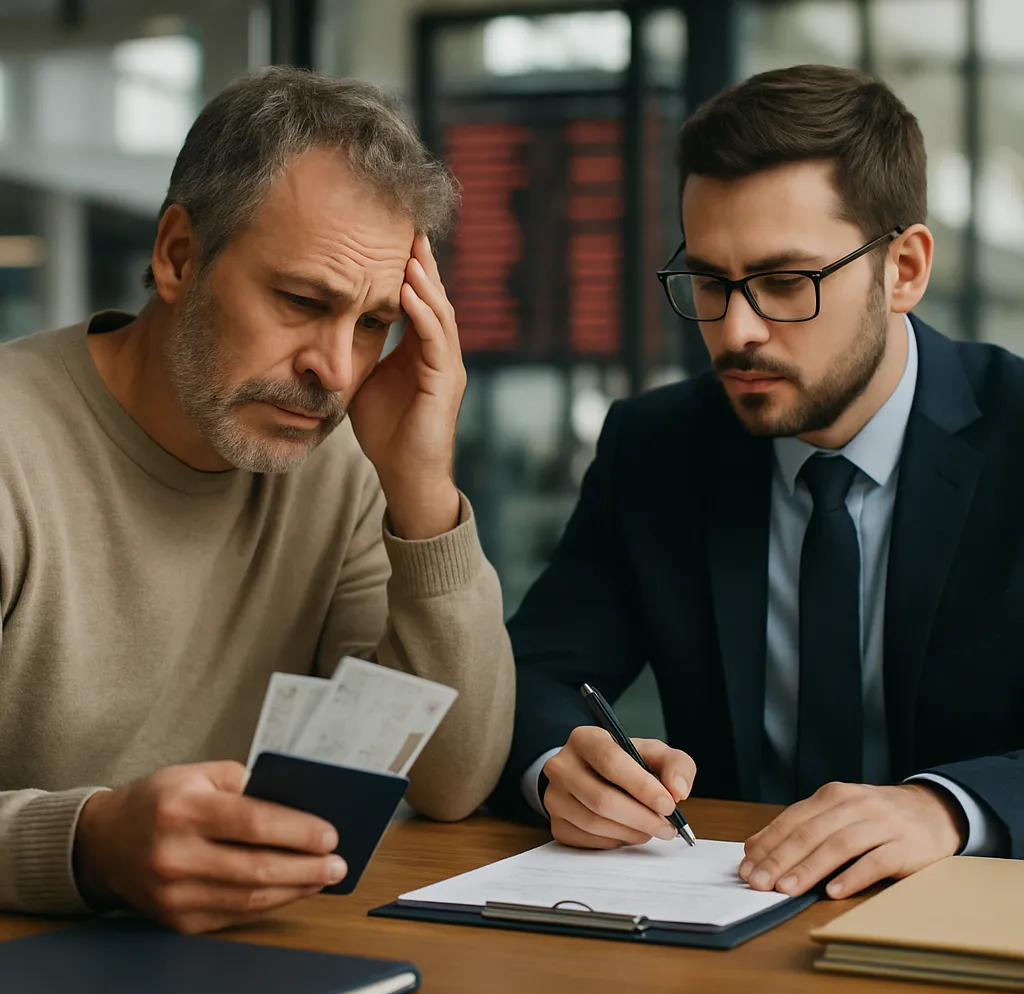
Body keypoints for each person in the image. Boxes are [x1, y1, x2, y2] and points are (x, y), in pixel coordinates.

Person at [489, 64, 1024, 899]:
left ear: (905, 270)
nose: (736, 331)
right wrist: (560, 765)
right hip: (727, 914)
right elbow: (531, 676)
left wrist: (948, 809)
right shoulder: (657, 446)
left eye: (786, 283)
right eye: (709, 283)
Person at [0, 67, 514, 934]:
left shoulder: (342, 465)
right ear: (177, 256)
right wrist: (88, 845)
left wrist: (422, 490)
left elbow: (449, 781)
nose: (338, 371)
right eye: (302, 301)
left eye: (372, 323)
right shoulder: (15, 447)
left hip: (241, 962)